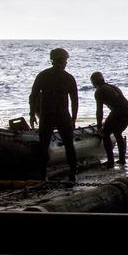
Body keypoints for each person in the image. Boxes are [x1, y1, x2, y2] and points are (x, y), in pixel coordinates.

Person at [30, 48, 79, 183]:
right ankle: (72, 174)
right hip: (63, 115)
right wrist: (73, 118)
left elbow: (33, 96)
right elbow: (75, 100)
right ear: (62, 60)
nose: (66, 63)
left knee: (44, 145)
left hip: (47, 115)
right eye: (65, 60)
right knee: (69, 145)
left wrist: (32, 114)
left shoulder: (43, 75)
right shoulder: (68, 78)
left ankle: (43, 175)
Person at [91, 71, 128, 166]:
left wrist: (99, 127)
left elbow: (99, 111)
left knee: (105, 134)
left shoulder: (99, 91)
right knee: (118, 133)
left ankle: (110, 161)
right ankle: (122, 159)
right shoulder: (113, 87)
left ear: (94, 82)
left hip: (118, 111)